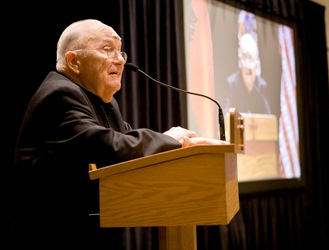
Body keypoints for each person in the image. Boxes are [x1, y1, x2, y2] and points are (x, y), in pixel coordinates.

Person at [8, 19, 227, 249]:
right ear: (74, 61)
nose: (120, 59)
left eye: (120, 52)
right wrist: (169, 139)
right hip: (50, 237)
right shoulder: (59, 95)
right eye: (106, 49)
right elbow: (108, 146)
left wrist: (185, 143)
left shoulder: (102, 100)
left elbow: (126, 136)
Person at [224, 33, 271, 115]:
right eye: (244, 58)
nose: (247, 64)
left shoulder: (262, 86)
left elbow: (268, 118)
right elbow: (225, 114)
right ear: (240, 63)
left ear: (257, 64)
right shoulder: (231, 83)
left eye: (251, 58)